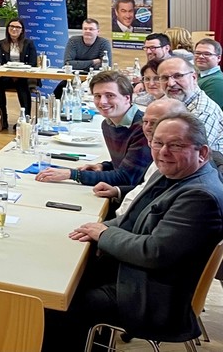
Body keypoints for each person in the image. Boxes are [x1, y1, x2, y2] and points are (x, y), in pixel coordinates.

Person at [43, 113, 223, 349]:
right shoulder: (172, 172)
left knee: (56, 299)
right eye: (157, 143)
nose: (163, 152)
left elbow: (154, 252)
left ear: (202, 152)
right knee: (58, 269)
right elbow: (133, 219)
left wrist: (104, 234)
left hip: (153, 297)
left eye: (176, 145)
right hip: (141, 276)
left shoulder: (200, 195)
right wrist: (100, 228)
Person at [36, 71, 151, 187]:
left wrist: (73, 174)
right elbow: (126, 163)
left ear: (127, 98)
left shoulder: (143, 128)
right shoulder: (107, 124)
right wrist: (104, 166)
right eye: (97, 96)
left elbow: (126, 178)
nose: (102, 102)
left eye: (110, 95)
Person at [91, 97, 187, 216]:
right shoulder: (157, 152)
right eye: (145, 122)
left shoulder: (172, 160)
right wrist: (118, 191)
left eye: (155, 122)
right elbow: (147, 189)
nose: (147, 127)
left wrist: (106, 231)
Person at [157, 56, 223, 153]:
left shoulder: (203, 112)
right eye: (165, 78)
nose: (170, 83)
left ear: (193, 77)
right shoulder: (170, 101)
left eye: (178, 76)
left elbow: (189, 154)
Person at [0, 19, 37, 125]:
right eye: (11, 26)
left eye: (17, 27)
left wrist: (19, 72)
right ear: (8, 29)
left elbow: (33, 63)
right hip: (7, 76)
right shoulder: (1, 43)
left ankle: (25, 119)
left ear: (22, 30)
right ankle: (2, 118)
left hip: (24, 77)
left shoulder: (28, 43)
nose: (14, 29)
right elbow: (0, 62)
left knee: (22, 85)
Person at [54, 19, 111, 99]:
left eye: (91, 29)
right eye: (85, 29)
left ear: (98, 31)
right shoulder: (73, 41)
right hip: (73, 79)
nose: (87, 31)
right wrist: (93, 62)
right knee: (59, 91)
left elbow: (106, 66)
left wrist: (78, 64)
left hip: (97, 81)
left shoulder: (104, 43)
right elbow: (68, 63)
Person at [194, 39, 223, 109]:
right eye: (197, 53)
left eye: (207, 54)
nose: (200, 56)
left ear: (218, 58)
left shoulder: (217, 82)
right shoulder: (200, 76)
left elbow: (202, 111)